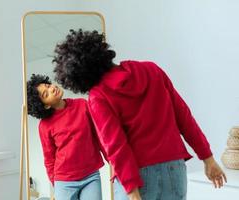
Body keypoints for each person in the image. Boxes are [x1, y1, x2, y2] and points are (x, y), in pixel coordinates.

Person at [52, 29, 227, 200]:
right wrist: (208, 159)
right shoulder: (152, 70)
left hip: (138, 177)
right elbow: (184, 117)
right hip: (175, 169)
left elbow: (116, 147)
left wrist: (132, 193)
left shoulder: (98, 96)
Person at [27, 74, 104, 200]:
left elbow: (100, 137)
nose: (51, 89)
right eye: (46, 94)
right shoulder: (45, 126)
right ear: (45, 105)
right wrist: (56, 186)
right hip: (64, 181)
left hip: (91, 176)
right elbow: (49, 159)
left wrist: (113, 161)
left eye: (48, 85)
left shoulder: (82, 105)